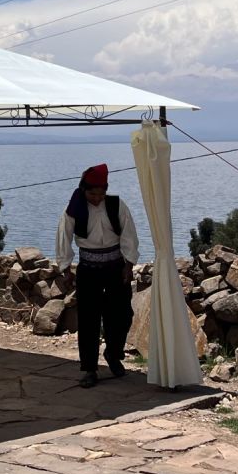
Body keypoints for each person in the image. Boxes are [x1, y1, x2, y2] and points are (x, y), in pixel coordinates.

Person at [55, 163, 138, 387]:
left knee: (121, 315)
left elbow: (129, 234)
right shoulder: (74, 209)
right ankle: (90, 368)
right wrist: (65, 267)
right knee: (89, 319)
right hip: (88, 269)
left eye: (100, 194)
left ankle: (113, 353)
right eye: (92, 193)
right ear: (84, 190)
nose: (96, 198)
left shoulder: (116, 205)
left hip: (115, 267)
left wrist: (129, 264)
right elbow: (64, 236)